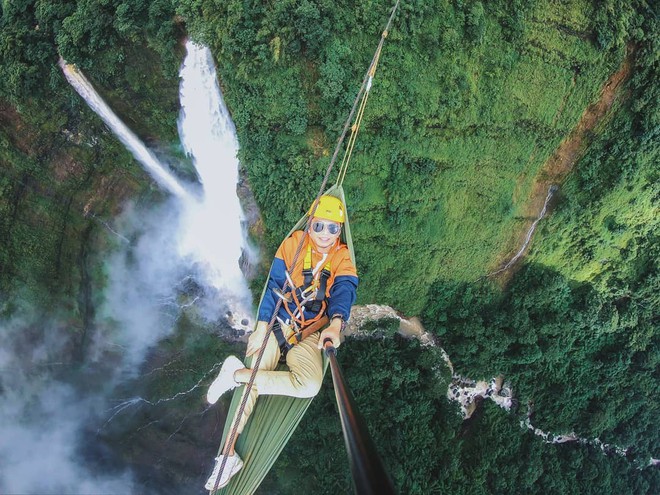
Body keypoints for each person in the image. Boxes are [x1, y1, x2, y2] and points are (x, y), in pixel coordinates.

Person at [204, 195, 358, 490]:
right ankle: (227, 456)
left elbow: (344, 290)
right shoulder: (294, 244)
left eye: (333, 229)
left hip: (311, 334)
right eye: (320, 226)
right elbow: (274, 285)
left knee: (310, 385)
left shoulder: (342, 258)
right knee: (259, 364)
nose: (326, 234)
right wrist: (262, 329)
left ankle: (236, 375)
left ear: (340, 232)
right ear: (310, 224)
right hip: (279, 322)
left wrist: (336, 325)